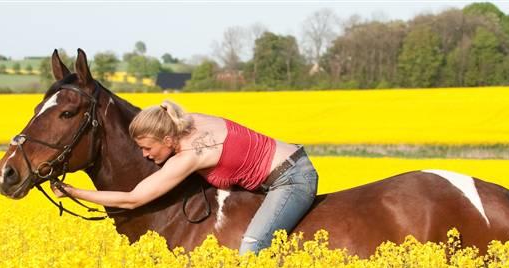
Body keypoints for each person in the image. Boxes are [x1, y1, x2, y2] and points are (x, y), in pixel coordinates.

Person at [51, 100, 318, 255]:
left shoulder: (191, 155)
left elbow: (133, 199)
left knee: (252, 246)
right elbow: (166, 107)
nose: (145, 155)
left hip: (291, 179)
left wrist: (74, 192)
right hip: (292, 162)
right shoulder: (186, 121)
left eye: (148, 147)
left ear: (168, 139)